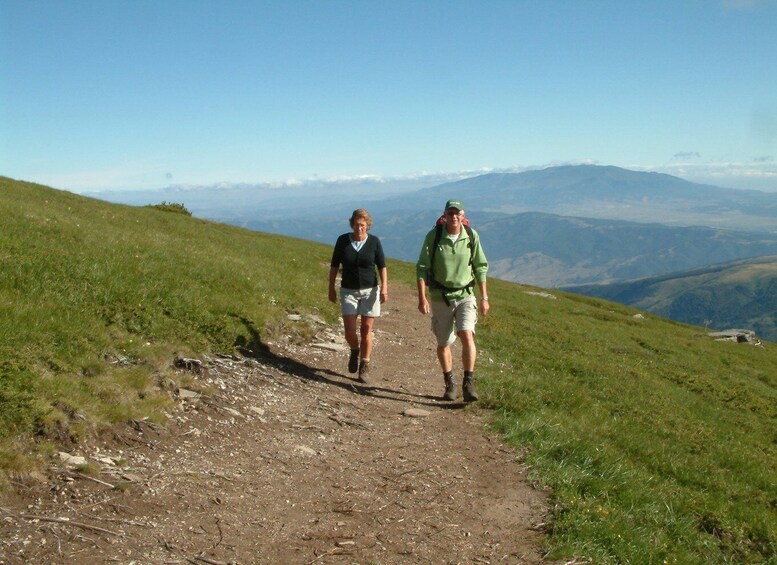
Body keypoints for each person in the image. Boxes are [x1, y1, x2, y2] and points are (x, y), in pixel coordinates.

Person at [416, 199, 489, 402]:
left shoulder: (471, 236)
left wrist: (484, 297)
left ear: (463, 215)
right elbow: (422, 267)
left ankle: (468, 383)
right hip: (441, 297)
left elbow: (480, 266)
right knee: (444, 342)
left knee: (467, 334)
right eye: (450, 213)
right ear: (445, 215)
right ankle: (449, 383)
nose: (454, 216)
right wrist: (422, 297)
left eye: (457, 213)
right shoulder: (435, 236)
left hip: (466, 294)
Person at [329, 209, 388, 383]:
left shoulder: (374, 242)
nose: (359, 228)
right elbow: (334, 265)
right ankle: (354, 349)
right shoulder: (343, 241)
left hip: (370, 291)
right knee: (349, 330)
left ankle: (365, 364)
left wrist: (384, 288)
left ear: (367, 225)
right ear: (352, 224)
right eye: (356, 224)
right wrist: (331, 287)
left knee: (366, 330)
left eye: (362, 225)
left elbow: (382, 266)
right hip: (348, 290)